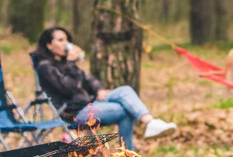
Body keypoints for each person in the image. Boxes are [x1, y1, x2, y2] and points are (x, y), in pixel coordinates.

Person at [34, 26, 177, 150]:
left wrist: (99, 89)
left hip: (90, 103)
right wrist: (72, 64)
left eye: (66, 40)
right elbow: (68, 89)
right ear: (49, 45)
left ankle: (150, 122)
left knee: (125, 90)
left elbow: (88, 80)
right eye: (60, 40)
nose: (66, 44)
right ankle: (129, 153)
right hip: (74, 112)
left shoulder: (66, 63)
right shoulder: (46, 67)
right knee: (126, 110)